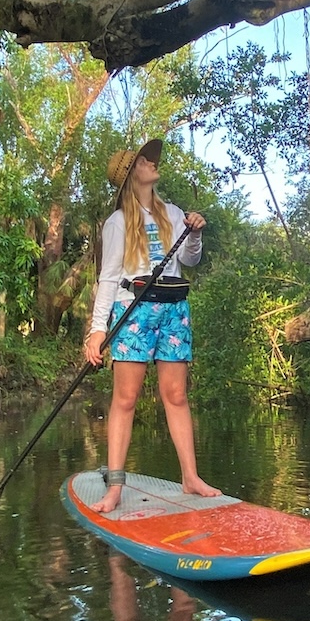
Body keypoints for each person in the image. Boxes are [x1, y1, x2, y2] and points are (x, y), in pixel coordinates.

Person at [84, 138, 220, 513]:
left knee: (176, 395)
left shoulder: (173, 212)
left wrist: (194, 232)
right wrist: (98, 329)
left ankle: (190, 478)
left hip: (174, 310)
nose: (152, 164)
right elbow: (109, 277)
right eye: (145, 161)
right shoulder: (117, 222)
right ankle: (114, 488)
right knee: (125, 400)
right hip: (134, 311)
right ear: (132, 175)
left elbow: (190, 260)